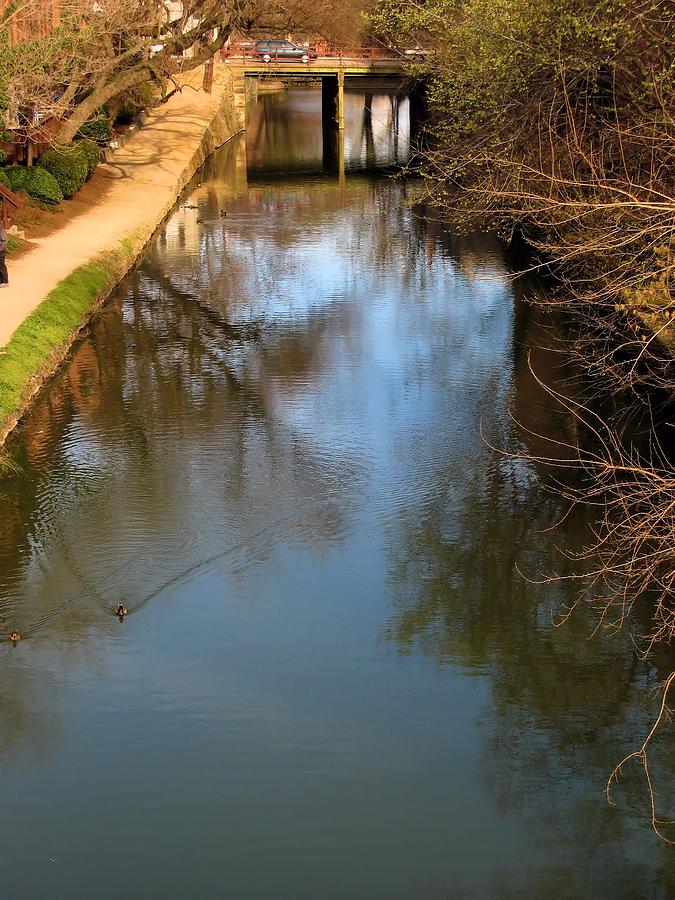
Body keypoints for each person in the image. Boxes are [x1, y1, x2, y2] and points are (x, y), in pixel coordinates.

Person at [0, 220, 8, 287]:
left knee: (1, 266)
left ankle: (5, 282)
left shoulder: (1, 230)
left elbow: (4, 242)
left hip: (1, 251)